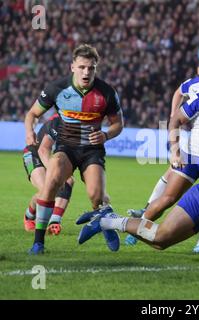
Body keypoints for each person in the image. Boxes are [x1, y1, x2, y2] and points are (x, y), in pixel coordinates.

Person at [24, 44, 124, 254]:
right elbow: (32, 114)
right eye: (82, 67)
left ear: (96, 68)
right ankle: (38, 242)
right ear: (72, 67)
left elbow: (118, 124)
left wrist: (106, 134)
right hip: (66, 148)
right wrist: (29, 132)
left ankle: (103, 221)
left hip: (92, 151)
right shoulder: (57, 89)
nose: (86, 72)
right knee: (51, 183)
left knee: (97, 197)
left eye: (91, 68)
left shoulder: (106, 92)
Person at [126, 57, 199, 253]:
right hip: (192, 144)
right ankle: (139, 222)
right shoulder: (194, 87)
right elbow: (178, 94)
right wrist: (174, 112)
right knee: (169, 192)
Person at [23, 114, 74, 235]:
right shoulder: (57, 121)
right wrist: (53, 171)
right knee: (45, 190)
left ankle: (55, 221)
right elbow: (42, 150)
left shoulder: (77, 123)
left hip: (51, 158)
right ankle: (29, 216)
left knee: (69, 181)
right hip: (33, 154)